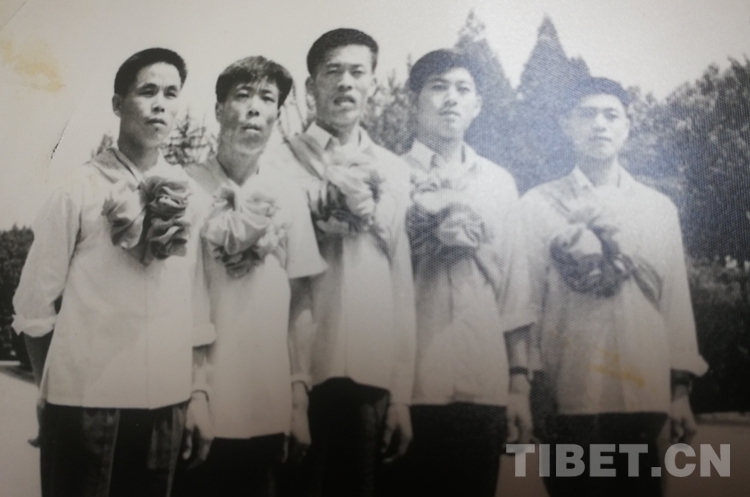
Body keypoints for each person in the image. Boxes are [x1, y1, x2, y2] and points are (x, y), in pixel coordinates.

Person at [12, 48, 215, 497]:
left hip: (165, 405)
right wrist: (49, 391)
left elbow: (199, 309)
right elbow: (34, 306)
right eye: (147, 91)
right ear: (118, 104)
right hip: (85, 404)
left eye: (171, 94)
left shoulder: (193, 197)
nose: (160, 104)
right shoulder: (78, 190)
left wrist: (197, 395)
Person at [518, 76, 708, 497]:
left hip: (646, 397)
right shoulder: (536, 205)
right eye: (587, 115)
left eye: (610, 115)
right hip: (569, 394)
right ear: (566, 124)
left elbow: (675, 306)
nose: (599, 125)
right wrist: (531, 385)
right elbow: (527, 301)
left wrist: (680, 394)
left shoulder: (658, 209)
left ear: (627, 126)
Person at [173, 55, 327, 497]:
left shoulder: (288, 195)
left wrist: (298, 399)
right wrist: (195, 393)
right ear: (219, 109)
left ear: (277, 114)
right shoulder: (184, 187)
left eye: (267, 99)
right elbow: (178, 302)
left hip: (267, 404)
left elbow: (301, 300)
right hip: (191, 403)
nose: (255, 109)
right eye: (243, 96)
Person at [274, 28, 417, 497]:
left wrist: (400, 395)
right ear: (310, 85)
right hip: (294, 372)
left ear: (373, 83)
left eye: (358, 72)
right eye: (332, 71)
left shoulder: (394, 171)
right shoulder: (278, 164)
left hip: (371, 375)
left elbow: (401, 283)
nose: (345, 83)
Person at [388, 48, 535, 497]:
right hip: (408, 386)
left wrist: (519, 385)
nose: (451, 98)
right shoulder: (388, 177)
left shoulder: (499, 183)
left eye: (462, 89)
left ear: (477, 105)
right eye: (438, 87)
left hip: (483, 382)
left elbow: (515, 289)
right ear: (413, 100)